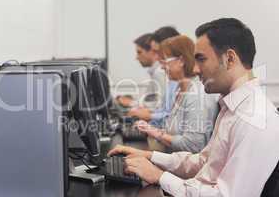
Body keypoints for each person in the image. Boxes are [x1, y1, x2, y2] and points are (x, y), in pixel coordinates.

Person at [108, 18, 279, 196]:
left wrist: (160, 177)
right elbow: (203, 162)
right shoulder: (232, 106)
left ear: (229, 58)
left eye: (201, 59)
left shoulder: (254, 119)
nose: (195, 69)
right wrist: (150, 157)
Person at [135, 35, 219, 153]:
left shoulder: (196, 95)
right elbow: (174, 131)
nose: (162, 67)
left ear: (181, 61)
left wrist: (154, 133)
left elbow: (193, 146)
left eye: (165, 61)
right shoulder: (180, 90)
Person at [127, 26, 180, 127]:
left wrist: (147, 114)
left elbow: (168, 115)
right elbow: (164, 110)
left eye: (159, 53)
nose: (157, 58)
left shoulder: (165, 75)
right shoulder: (171, 79)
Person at [116, 33, 167, 113]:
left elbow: (161, 105)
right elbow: (152, 100)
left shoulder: (159, 72)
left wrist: (131, 103)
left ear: (152, 51)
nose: (136, 57)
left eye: (139, 52)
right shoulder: (155, 72)